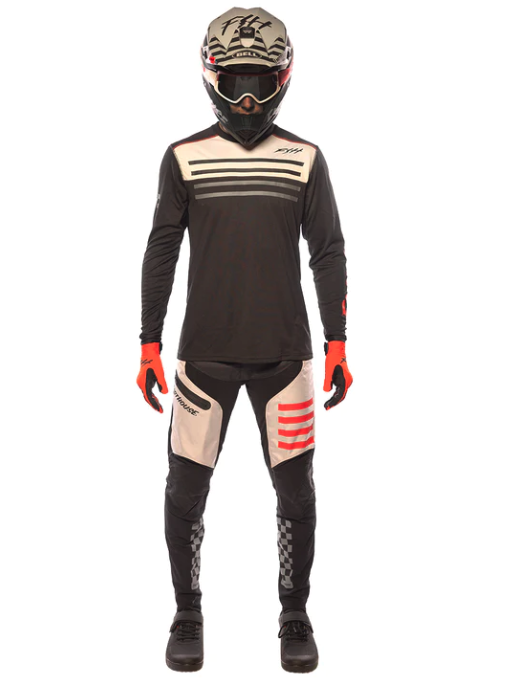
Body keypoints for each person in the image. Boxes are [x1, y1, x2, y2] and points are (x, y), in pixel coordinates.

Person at [137, 7, 353, 673]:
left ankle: (295, 613)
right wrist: (148, 341)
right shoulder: (184, 157)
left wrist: (337, 340)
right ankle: (187, 612)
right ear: (213, 79)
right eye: (235, 82)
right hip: (203, 356)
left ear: (282, 78)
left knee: (296, 494)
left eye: (259, 82)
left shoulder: (304, 159)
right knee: (185, 492)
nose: (249, 99)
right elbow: (161, 251)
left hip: (285, 356)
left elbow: (328, 250)